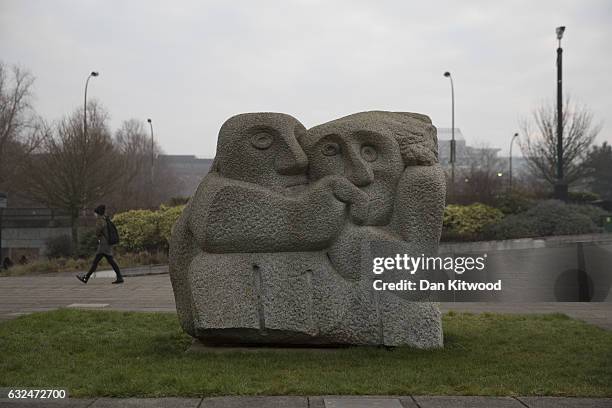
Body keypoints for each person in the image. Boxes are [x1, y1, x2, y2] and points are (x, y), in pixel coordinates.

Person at [76, 204, 123, 284]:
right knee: (110, 261)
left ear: (98, 213)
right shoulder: (106, 218)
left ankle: (86, 278)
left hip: (103, 245)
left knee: (96, 262)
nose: (94, 214)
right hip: (107, 243)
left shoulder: (100, 220)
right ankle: (119, 277)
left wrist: (98, 236)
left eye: (95, 213)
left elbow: (97, 231)